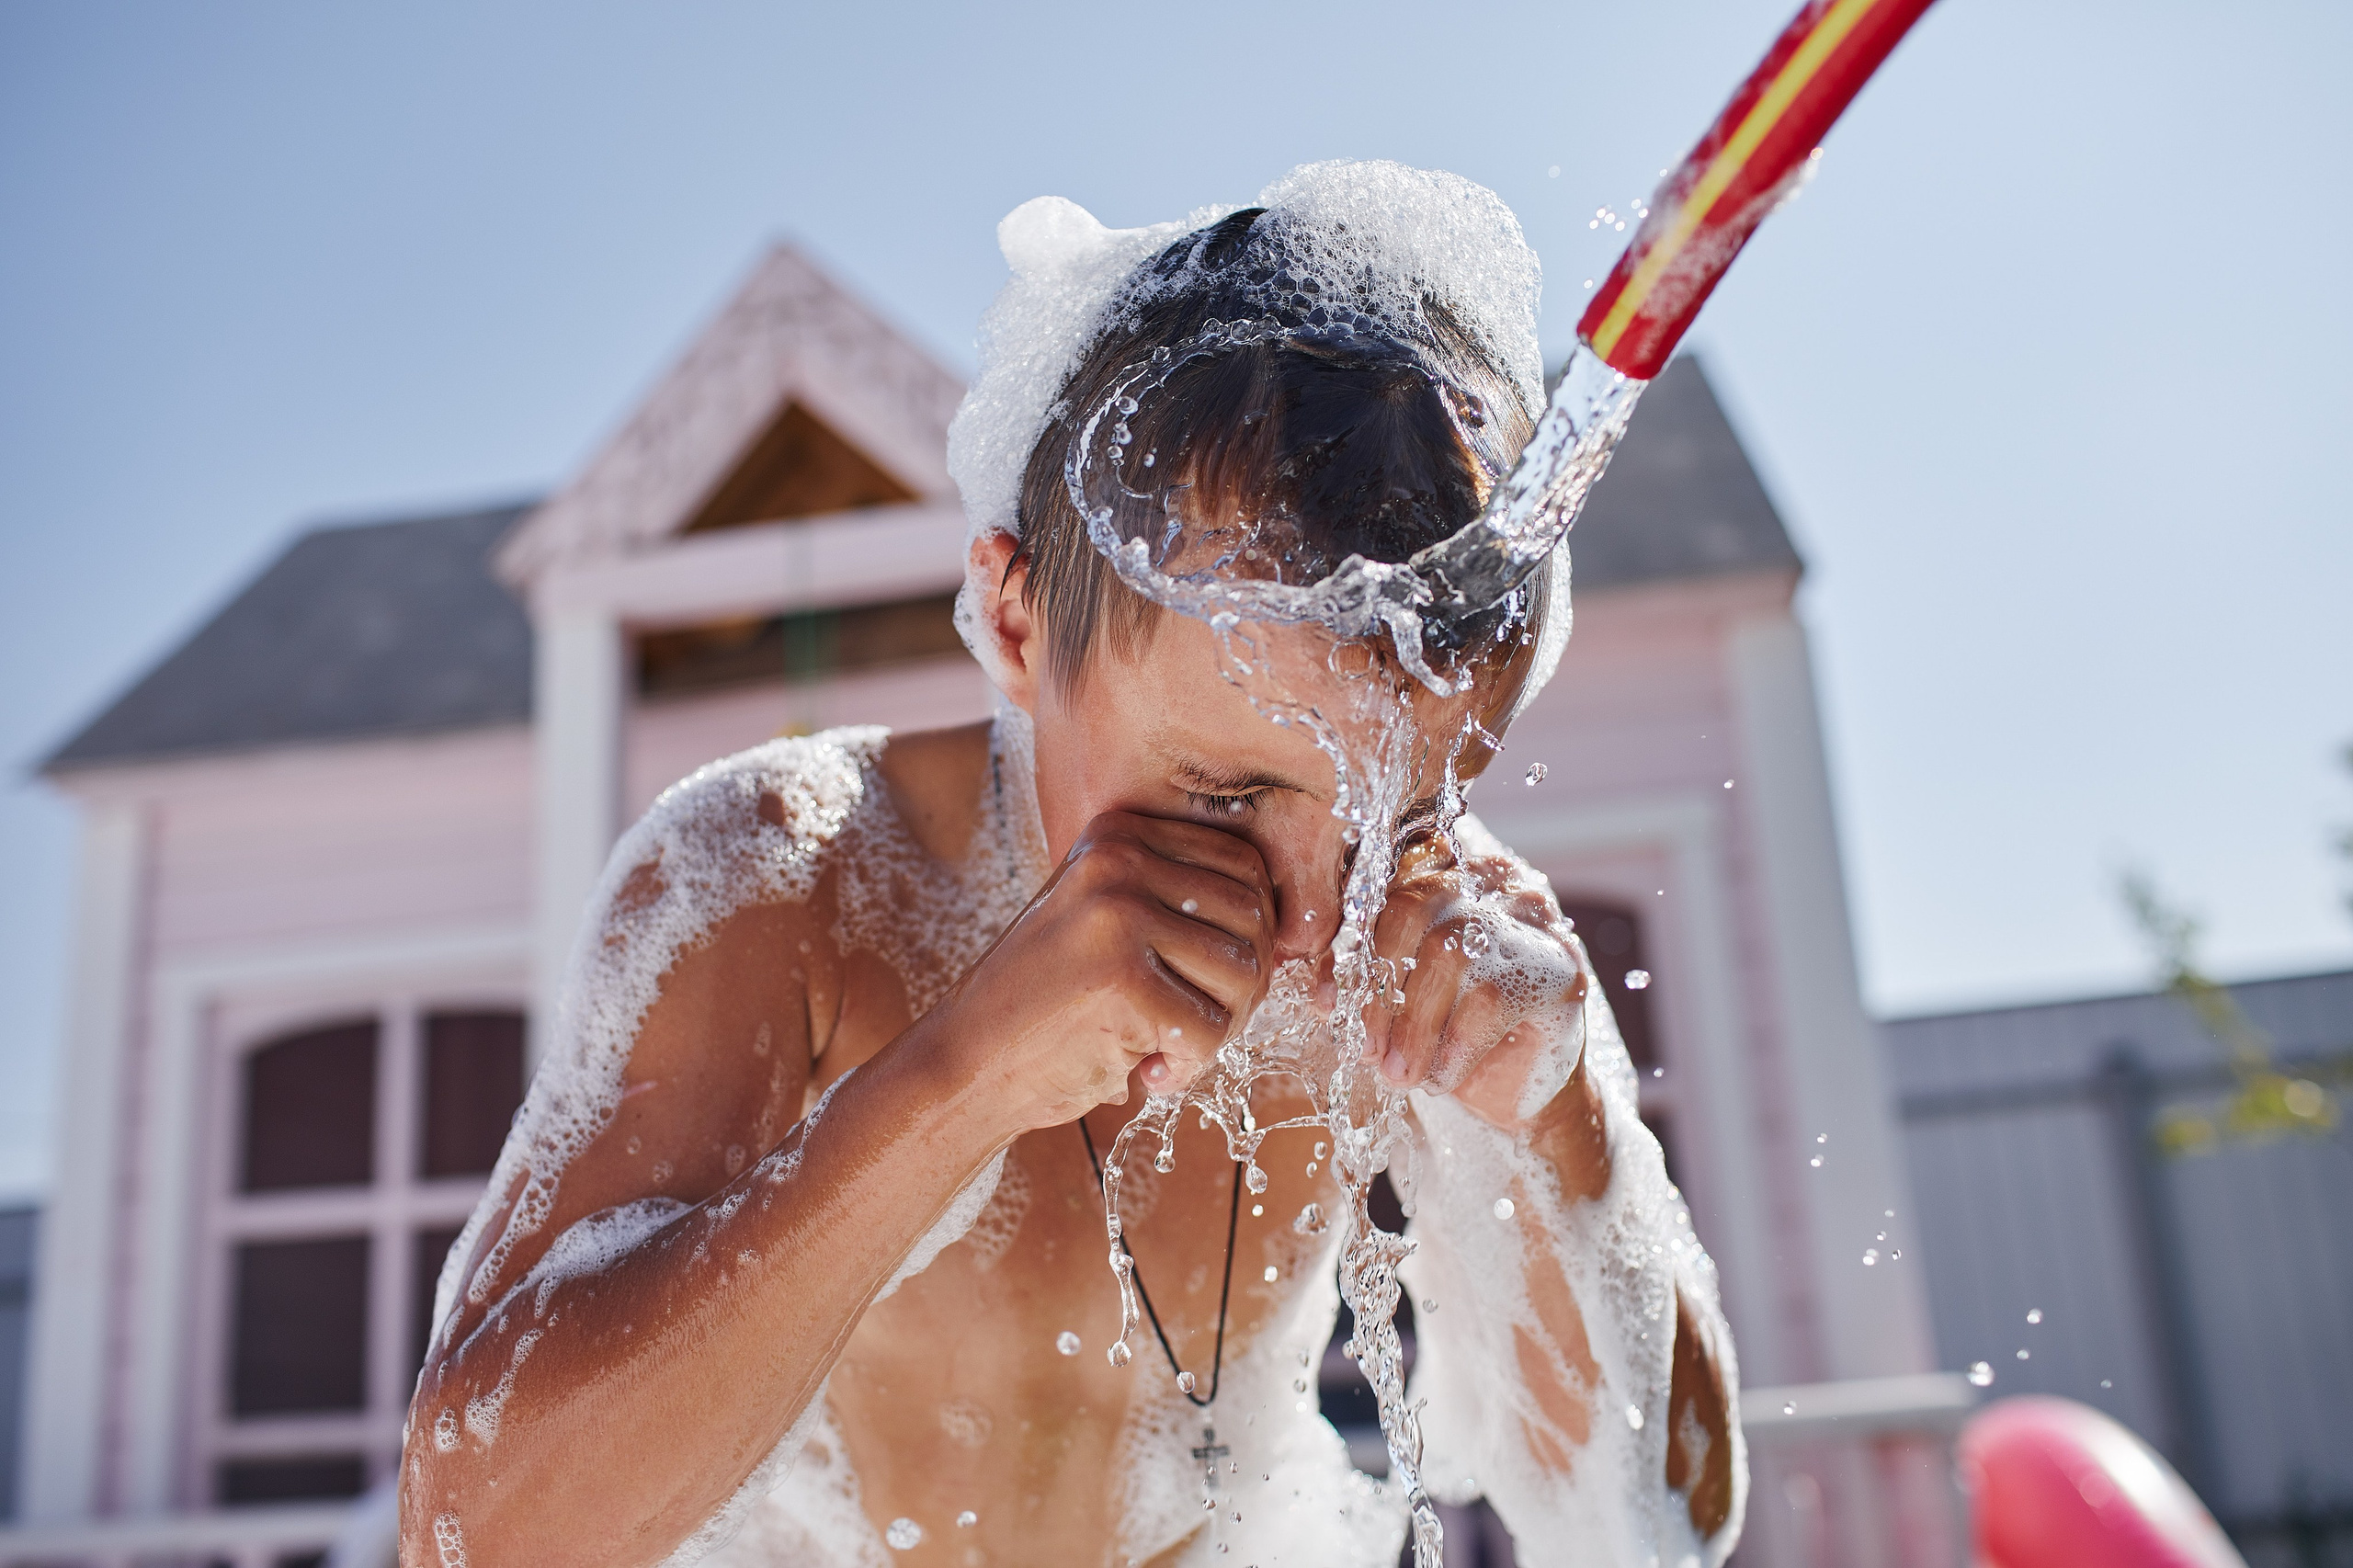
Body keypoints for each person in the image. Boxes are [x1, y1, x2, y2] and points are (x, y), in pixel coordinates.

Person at [400, 162, 1742, 1568]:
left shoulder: (1449, 939)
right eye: (1224, 796)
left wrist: (1556, 1122)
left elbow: (1668, 1530)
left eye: (1400, 816)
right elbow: (469, 1533)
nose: (1313, 917)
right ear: (1014, 618)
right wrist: (962, 1075)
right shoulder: (793, 880)